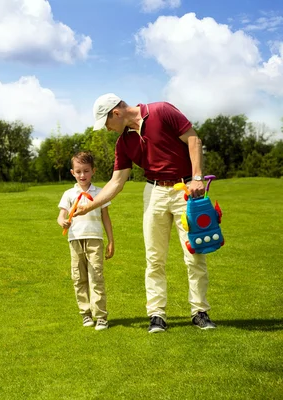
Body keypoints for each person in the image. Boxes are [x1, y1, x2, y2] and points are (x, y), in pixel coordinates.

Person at [74, 93, 217, 333]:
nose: (108, 130)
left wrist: (197, 177)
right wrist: (89, 205)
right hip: (154, 193)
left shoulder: (162, 111)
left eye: (107, 124)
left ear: (116, 113)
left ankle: (199, 312)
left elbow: (193, 140)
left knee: (194, 254)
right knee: (154, 258)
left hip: (186, 191)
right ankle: (157, 315)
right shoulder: (124, 142)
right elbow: (116, 182)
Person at [57, 151, 115, 331]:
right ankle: (85, 314)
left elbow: (106, 217)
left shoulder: (100, 193)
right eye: (79, 171)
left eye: (86, 171)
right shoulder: (68, 194)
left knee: (96, 277)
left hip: (95, 240)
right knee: (79, 278)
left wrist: (111, 241)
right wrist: (63, 222)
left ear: (93, 171)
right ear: (72, 172)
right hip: (75, 240)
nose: (83, 175)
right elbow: (61, 217)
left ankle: (101, 317)